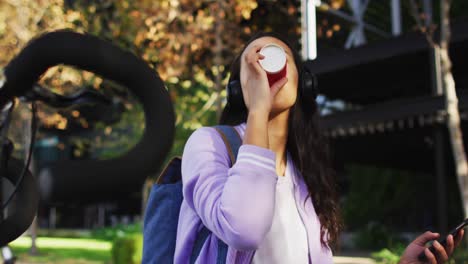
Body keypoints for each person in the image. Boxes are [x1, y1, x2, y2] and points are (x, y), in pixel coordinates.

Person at [174, 32, 464, 264]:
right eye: (254, 61)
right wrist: (258, 111)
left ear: (304, 84)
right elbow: (244, 229)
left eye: (278, 56)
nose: (266, 67)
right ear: (238, 90)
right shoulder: (209, 144)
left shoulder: (303, 176)